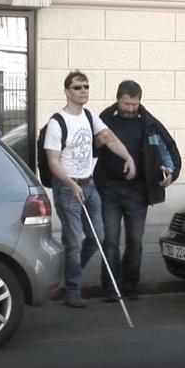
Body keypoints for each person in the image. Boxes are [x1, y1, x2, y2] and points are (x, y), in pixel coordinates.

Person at [44, 71, 136, 308]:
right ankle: (72, 290)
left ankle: (68, 279)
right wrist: (71, 184)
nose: (83, 91)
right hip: (67, 187)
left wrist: (128, 158)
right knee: (74, 240)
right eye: (77, 87)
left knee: (98, 237)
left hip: (89, 184)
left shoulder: (89, 116)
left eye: (86, 86)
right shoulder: (57, 122)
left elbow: (109, 138)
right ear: (67, 91)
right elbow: (53, 162)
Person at [95, 80, 181, 301]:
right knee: (111, 241)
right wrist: (98, 143)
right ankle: (111, 288)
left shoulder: (149, 122)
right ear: (118, 99)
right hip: (109, 189)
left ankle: (131, 286)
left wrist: (171, 173)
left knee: (135, 241)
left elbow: (168, 147)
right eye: (126, 104)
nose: (131, 108)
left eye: (134, 104)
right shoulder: (104, 119)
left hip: (138, 191)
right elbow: (90, 150)